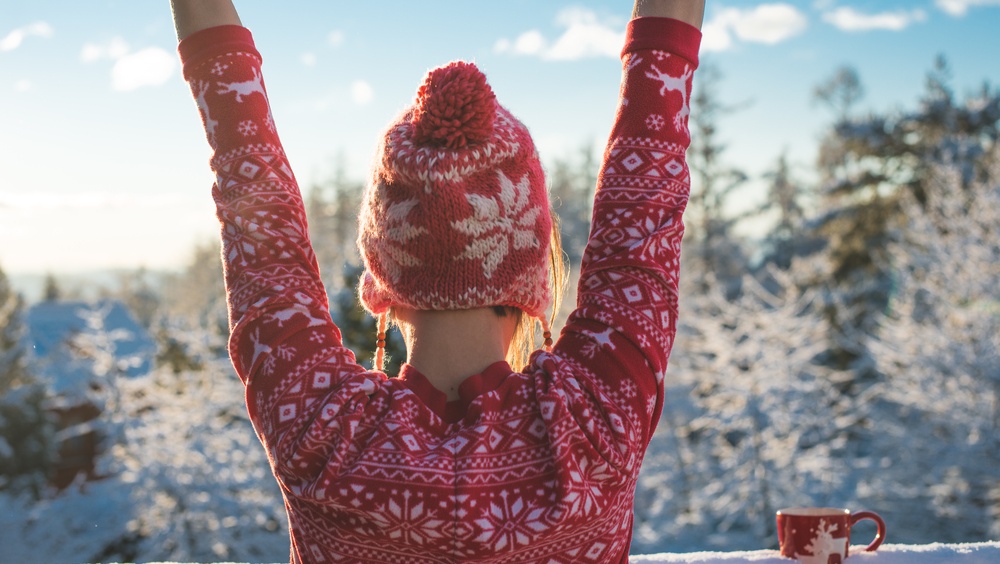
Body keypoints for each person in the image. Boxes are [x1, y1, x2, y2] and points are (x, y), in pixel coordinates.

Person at [170, 0, 704, 561]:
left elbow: (253, 197)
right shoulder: (596, 419)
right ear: (528, 263)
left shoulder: (318, 430)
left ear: (385, 272)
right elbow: (643, 193)